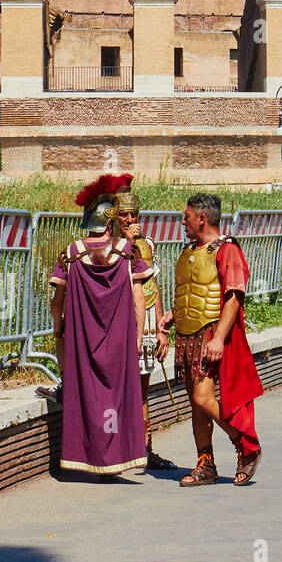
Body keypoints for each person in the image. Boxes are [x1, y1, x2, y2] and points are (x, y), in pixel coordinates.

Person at [46, 173, 150, 475]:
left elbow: (57, 303)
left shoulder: (70, 255)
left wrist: (58, 327)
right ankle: (115, 458)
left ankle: (90, 458)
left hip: (82, 341)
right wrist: (138, 337)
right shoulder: (126, 253)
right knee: (114, 398)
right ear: (109, 221)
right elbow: (138, 298)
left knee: (88, 396)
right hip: (119, 340)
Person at [158, 193, 263, 486]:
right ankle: (206, 464)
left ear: (202, 219)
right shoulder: (190, 250)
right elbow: (193, 293)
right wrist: (172, 316)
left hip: (209, 335)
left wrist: (218, 339)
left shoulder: (227, 249)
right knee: (197, 404)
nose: (183, 222)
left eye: (187, 217)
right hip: (187, 335)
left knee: (202, 398)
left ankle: (245, 444)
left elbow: (233, 297)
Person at [108, 189, 178, 471]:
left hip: (145, 317)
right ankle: (114, 447)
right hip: (117, 318)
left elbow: (152, 286)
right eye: (123, 215)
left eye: (133, 214)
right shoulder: (107, 245)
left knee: (141, 387)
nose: (129, 219)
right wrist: (126, 242)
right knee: (114, 386)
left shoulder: (146, 244)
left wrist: (162, 328)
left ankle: (144, 448)